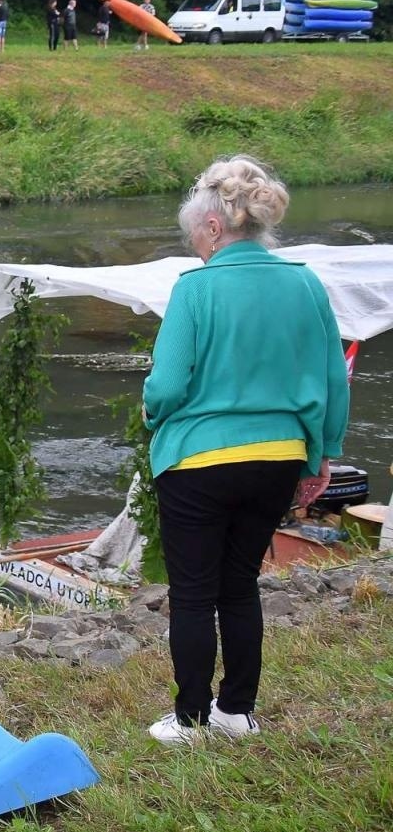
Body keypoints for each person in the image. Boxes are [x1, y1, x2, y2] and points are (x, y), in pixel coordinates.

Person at [142, 156, 347, 746]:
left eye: (194, 237)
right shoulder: (305, 283)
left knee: (193, 593)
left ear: (213, 227)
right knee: (239, 585)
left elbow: (168, 384)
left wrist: (151, 409)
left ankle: (189, 721)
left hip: (199, 461)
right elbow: (332, 377)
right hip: (278, 458)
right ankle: (236, 713)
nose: (196, 249)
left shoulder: (195, 288)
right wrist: (322, 452)